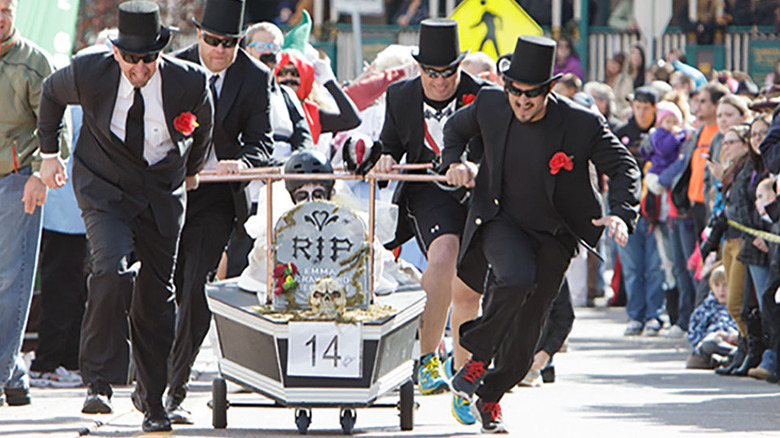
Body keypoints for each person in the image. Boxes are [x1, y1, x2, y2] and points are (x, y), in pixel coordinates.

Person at [443, 35, 640, 433]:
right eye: (515, 93)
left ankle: (492, 395)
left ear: (548, 90)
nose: (522, 102)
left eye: (531, 96)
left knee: (528, 335)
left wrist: (620, 212)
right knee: (515, 279)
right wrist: (454, 162)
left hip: (555, 232)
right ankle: (476, 357)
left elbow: (624, 166)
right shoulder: (490, 104)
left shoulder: (581, 123)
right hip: (501, 219)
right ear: (506, 87)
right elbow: (454, 129)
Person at [37, 1, 213, 432]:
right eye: (131, 58)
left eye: (148, 58)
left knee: (157, 297)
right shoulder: (89, 71)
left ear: (160, 53)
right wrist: (47, 155)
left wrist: (189, 174)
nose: (140, 67)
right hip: (105, 187)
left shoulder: (189, 81)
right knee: (111, 269)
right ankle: (98, 378)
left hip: (161, 191)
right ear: (116, 52)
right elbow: (50, 94)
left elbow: (203, 128)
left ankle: (153, 401)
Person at [372, 18, 490, 422]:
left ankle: (465, 383)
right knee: (443, 254)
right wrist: (386, 159)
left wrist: (472, 166)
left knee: (469, 292)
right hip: (427, 192)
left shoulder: (482, 96)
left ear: (461, 68)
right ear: (419, 69)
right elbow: (389, 146)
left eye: (449, 73)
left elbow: (494, 149)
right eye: (431, 73)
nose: (440, 81)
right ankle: (427, 359)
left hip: (476, 195)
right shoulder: (400, 96)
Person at [164, 0, 274, 425]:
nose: (219, 51)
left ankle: (176, 384)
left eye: (229, 44)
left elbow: (262, 142)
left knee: (195, 285)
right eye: (212, 41)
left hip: (215, 199)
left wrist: (242, 164)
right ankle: (149, 375)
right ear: (199, 35)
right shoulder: (173, 67)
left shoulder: (254, 77)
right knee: (157, 285)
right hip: (170, 191)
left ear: (239, 43)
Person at [0, 0, 69, 407]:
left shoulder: (34, 63)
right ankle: (13, 371)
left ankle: (2, 371)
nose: (1, 16)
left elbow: (54, 128)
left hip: (17, 180)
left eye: (6, 8)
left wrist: (40, 178)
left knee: (11, 280)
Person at [28, 105, 87, 390]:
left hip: (75, 214)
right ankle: (47, 364)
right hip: (67, 214)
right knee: (62, 290)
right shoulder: (75, 107)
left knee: (73, 291)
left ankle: (67, 362)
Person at [614, 86, 666, 336]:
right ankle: (635, 315)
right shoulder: (621, 134)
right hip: (629, 209)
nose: (641, 111)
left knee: (655, 266)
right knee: (632, 266)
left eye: (647, 107)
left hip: (657, 209)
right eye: (637, 106)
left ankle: (654, 314)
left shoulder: (663, 133)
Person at [686, 264, 739, 369]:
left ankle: (734, 355)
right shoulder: (704, 309)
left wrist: (735, 336)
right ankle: (731, 356)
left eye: (725, 285)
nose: (721, 290)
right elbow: (693, 334)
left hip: (734, 342)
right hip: (713, 343)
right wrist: (715, 335)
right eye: (717, 285)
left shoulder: (739, 307)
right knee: (709, 344)